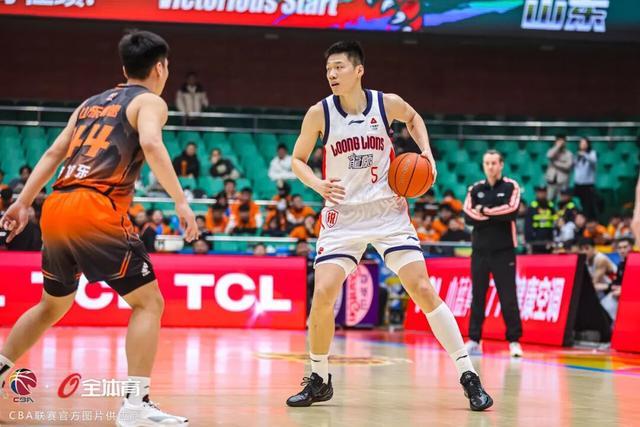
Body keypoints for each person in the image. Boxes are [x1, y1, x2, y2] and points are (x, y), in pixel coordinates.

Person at [0, 31, 197, 426]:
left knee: (52, 304)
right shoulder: (150, 102)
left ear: (124, 68)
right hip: (94, 207)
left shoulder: (89, 104)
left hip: (56, 205)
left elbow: (54, 153)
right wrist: (180, 201)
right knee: (149, 303)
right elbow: (152, 145)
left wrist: (22, 202)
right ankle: (136, 405)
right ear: (161, 68)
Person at [286, 41, 492, 411]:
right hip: (343, 216)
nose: (331, 74)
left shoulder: (386, 104)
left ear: (358, 70)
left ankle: (468, 374)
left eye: (339, 67)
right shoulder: (320, 113)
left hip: (387, 213)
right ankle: (319, 377)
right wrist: (317, 184)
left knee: (422, 288)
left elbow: (414, 118)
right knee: (323, 294)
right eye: (328, 69)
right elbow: (298, 160)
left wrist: (426, 153)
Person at [463, 150, 523, 358]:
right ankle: (474, 340)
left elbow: (511, 210)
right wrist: (494, 213)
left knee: (508, 297)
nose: (490, 166)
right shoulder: (475, 189)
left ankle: (514, 341)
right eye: (487, 163)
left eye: (494, 163)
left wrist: (484, 211)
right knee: (477, 296)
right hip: (479, 252)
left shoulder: (511, 186)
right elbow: (468, 214)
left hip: (504, 252)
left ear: (501, 165)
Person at [600, 236, 633, 321]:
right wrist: (612, 286)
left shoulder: (636, 262)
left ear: (631, 247)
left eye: (625, 247)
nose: (622, 250)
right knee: (603, 304)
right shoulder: (621, 264)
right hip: (620, 293)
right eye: (620, 248)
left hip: (632, 295)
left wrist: (623, 290)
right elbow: (618, 281)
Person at [524, 186, 556, 254]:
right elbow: (528, 225)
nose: (541, 194)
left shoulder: (551, 206)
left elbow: (555, 222)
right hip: (535, 240)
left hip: (548, 240)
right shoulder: (532, 207)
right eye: (540, 192)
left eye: (543, 192)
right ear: (536, 193)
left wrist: (553, 239)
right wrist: (529, 241)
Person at [573, 137, 598, 219]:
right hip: (578, 183)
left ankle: (587, 219)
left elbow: (593, 161)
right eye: (581, 143)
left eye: (584, 143)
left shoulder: (592, 153)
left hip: (588, 184)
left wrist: (584, 155)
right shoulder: (577, 155)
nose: (583, 145)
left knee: (588, 205)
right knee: (577, 203)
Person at [545, 135, 573, 201]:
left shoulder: (568, 154)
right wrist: (557, 146)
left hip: (562, 182)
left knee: (561, 201)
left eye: (562, 141)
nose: (560, 143)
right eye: (558, 141)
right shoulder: (552, 151)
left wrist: (555, 163)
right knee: (549, 200)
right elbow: (548, 156)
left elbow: (568, 166)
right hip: (551, 181)